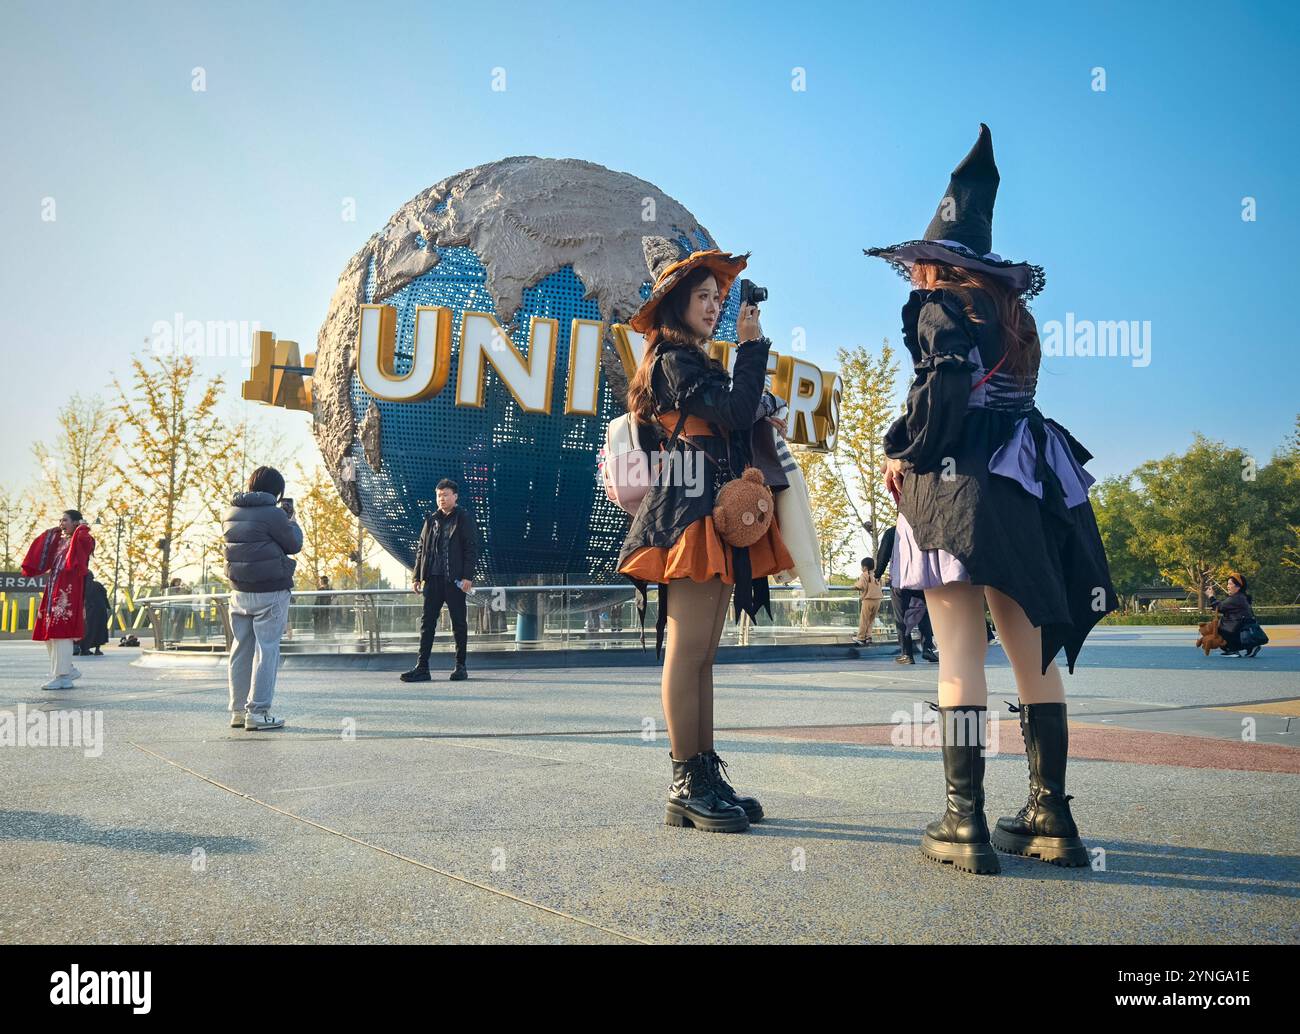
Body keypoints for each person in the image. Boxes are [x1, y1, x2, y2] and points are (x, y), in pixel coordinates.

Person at [866, 124, 1117, 874]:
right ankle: (1051, 816)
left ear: (938, 264)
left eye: (919, 265)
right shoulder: (1015, 317)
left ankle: (963, 822)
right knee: (1031, 653)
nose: (914, 278)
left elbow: (943, 392)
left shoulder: (939, 309)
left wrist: (900, 452)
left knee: (959, 659)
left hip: (954, 491)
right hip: (1024, 484)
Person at [616, 235, 796, 834]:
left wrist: (753, 377)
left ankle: (704, 774)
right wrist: (754, 349)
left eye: (719, 296)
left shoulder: (693, 361)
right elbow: (736, 411)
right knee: (686, 650)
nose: (715, 304)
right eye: (704, 295)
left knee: (703, 656)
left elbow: (740, 411)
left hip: (710, 505)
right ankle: (684, 781)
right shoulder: (672, 360)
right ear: (675, 304)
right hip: (689, 509)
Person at [222, 466, 303, 731]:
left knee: (240, 650)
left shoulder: (230, 512)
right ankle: (257, 712)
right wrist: (291, 520)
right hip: (271, 590)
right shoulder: (274, 514)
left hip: (239, 591)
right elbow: (294, 545)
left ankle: (237, 711)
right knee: (266, 651)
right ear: (277, 491)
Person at [401, 479, 478, 683]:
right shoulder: (431, 519)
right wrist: (417, 576)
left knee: (459, 624)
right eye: (438, 495)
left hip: (455, 581)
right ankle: (422, 667)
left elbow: (471, 548)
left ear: (455, 496)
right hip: (433, 580)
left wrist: (468, 576)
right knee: (427, 624)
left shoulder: (463, 518)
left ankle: (460, 666)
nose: (441, 499)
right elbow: (421, 549)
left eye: (445, 495)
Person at [21, 510, 95, 690]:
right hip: (53, 590)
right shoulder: (61, 542)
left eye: (65, 520)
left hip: (69, 592)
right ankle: (66, 669)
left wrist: (82, 527)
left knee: (61, 633)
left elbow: (85, 542)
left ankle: (63, 677)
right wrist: (51, 534)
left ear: (77, 522)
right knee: (50, 634)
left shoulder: (84, 539)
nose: (61, 523)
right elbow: (42, 552)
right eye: (60, 520)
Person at [875, 524, 938, 664]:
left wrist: (877, 574)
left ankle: (907, 654)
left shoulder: (893, 532)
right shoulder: (923, 528)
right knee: (924, 614)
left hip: (900, 580)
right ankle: (928, 649)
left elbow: (883, 553)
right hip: (921, 578)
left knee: (901, 616)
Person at [1207, 572, 1261, 658]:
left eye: (1230, 584)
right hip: (1245, 628)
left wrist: (1211, 596)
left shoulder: (1236, 598)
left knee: (1216, 630)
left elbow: (1219, 607)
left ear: (1238, 586)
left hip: (1235, 629)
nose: (1227, 586)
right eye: (1227, 584)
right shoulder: (1242, 597)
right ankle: (1251, 646)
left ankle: (1232, 650)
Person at [851, 556, 884, 646]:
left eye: (861, 566)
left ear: (864, 567)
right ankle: (868, 637)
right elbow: (881, 585)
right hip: (877, 600)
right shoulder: (877, 575)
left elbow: (861, 585)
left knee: (864, 619)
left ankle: (861, 637)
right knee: (871, 620)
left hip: (868, 600)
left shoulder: (864, 575)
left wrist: (854, 586)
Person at [76, 572, 110, 656]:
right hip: (100, 610)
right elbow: (104, 596)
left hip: (89, 610)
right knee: (99, 629)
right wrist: (107, 607)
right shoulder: (97, 585)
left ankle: (84, 649)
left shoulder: (82, 586)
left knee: (88, 630)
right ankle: (97, 650)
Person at [313, 574, 333, 638]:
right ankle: (325, 638)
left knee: (321, 626)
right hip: (326, 611)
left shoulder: (321, 590)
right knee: (325, 626)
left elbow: (317, 602)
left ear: (322, 581)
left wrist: (314, 612)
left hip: (321, 612)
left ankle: (320, 639)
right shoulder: (330, 589)